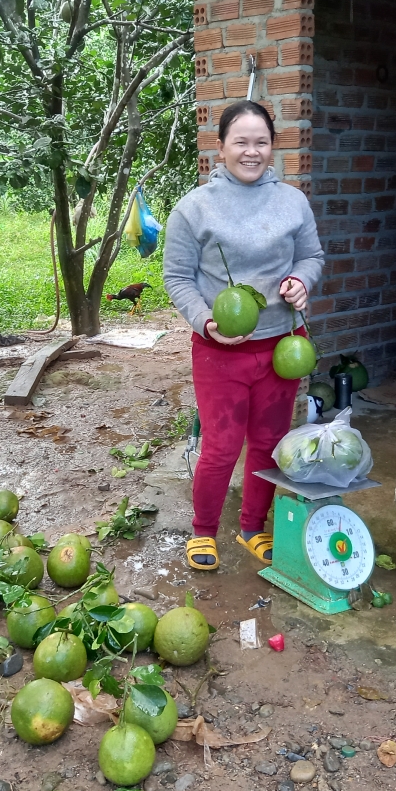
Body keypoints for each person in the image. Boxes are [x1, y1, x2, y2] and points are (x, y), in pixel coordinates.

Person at [163, 100, 324, 571]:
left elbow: (312, 256)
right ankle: (203, 530)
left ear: (273, 146)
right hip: (220, 352)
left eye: (261, 142)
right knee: (220, 446)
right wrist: (203, 319)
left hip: (282, 347)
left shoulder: (293, 201)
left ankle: (253, 527)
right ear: (221, 147)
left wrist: (301, 280)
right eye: (241, 142)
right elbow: (177, 276)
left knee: (271, 442)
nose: (251, 152)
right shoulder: (195, 209)